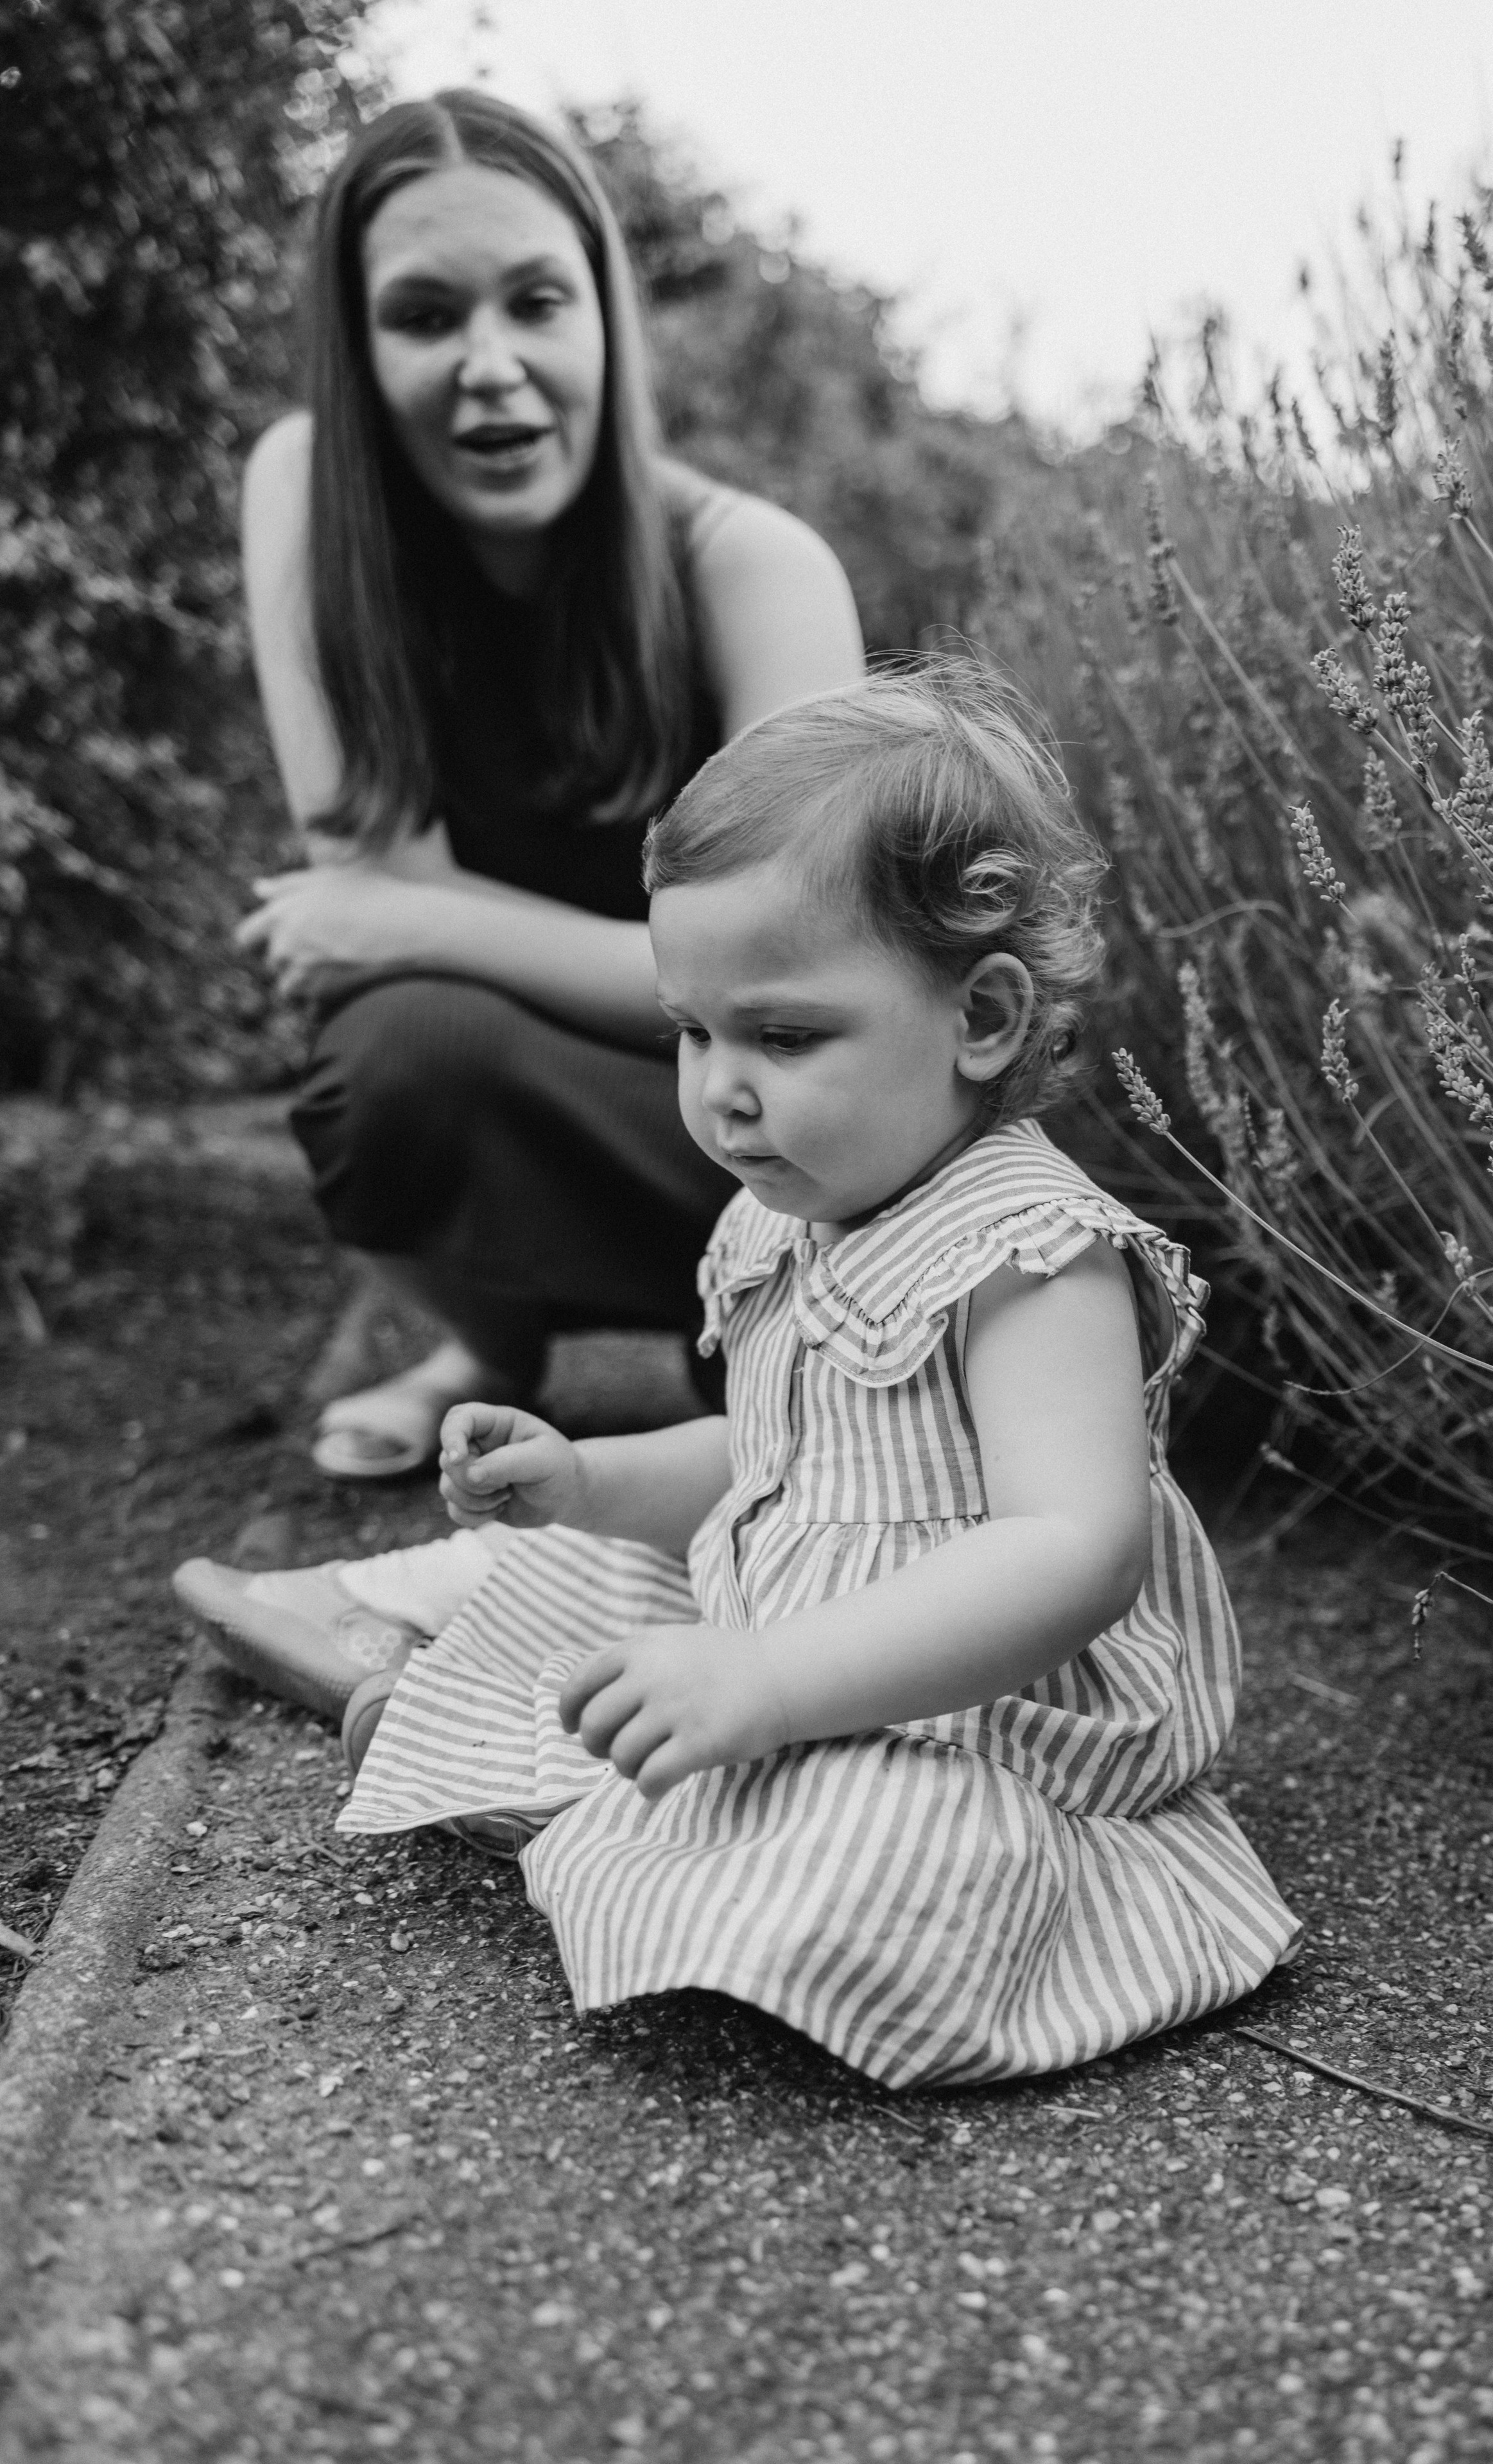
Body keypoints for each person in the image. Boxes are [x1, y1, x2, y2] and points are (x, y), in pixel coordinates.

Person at [314, 670, 1299, 2090]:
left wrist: (772, 1678)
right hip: (787, 1645)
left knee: (896, 1843)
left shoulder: (1028, 1258)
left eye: (779, 1036)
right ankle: (552, 1764)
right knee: (574, 1593)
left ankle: (580, 1807)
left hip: (979, 1712)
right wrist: (585, 1479)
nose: (719, 1086)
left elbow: (1071, 1552)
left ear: (981, 1017)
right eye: (691, 1031)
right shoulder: (786, 1209)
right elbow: (774, 1459)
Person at [234, 88, 864, 1482]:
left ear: (602, 317)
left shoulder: (754, 571)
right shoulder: (305, 499)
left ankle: (746, 1380)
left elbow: (800, 991)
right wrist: (405, 928)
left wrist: (425, 923)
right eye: (421, 315)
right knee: (389, 1057)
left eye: (534, 301)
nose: (490, 366)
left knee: (799, 1335)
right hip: (537, 1071)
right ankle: (489, 1347)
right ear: (352, 347)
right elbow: (368, 896)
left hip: (770, 1134)